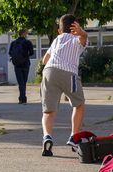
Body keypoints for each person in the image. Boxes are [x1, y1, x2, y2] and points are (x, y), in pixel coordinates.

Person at [40, 14, 87, 157]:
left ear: (60, 29)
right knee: (79, 104)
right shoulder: (76, 38)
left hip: (49, 72)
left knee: (48, 110)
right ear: (75, 26)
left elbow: (44, 60)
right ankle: (74, 136)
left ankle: (47, 137)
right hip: (69, 73)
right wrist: (82, 33)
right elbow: (83, 39)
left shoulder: (56, 40)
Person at [9, 29, 34, 104]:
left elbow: (10, 53)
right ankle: (23, 98)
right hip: (25, 64)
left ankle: (21, 99)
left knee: (20, 82)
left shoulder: (13, 43)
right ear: (24, 34)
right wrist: (25, 56)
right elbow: (32, 53)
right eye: (26, 33)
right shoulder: (27, 42)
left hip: (17, 65)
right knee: (24, 82)